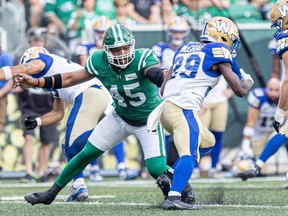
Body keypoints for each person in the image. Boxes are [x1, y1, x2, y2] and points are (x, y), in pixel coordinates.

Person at [13, 24, 195, 206]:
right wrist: (37, 82)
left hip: (148, 120)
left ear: (132, 45)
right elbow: (69, 78)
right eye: (116, 50)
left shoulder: (142, 57)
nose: (122, 53)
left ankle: (184, 189)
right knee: (85, 154)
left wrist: (162, 75)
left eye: (125, 47)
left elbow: (152, 71)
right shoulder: (98, 61)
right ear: (106, 50)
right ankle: (50, 194)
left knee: (156, 168)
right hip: (119, 116)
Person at [147, 16, 254, 210]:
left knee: (207, 142)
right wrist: (248, 81)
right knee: (189, 154)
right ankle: (173, 197)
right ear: (222, 36)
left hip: (166, 109)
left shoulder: (184, 48)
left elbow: (162, 88)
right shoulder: (219, 50)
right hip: (183, 108)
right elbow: (239, 90)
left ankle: (170, 174)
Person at [235, 0, 288, 180]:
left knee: (284, 129)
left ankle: (257, 165)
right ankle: (258, 165)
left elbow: (287, 79)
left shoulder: (284, 39)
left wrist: (280, 112)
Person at [234, 78, 281, 179]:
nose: (273, 93)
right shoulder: (259, 97)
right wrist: (245, 144)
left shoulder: (284, 97)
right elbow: (250, 122)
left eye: (277, 90)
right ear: (266, 88)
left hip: (275, 131)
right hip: (259, 134)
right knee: (260, 171)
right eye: (271, 89)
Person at [197, 76, 234, 178]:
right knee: (199, 135)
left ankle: (214, 167)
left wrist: (232, 90)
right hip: (203, 101)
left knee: (218, 134)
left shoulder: (225, 59)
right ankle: (195, 168)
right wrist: (197, 99)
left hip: (220, 100)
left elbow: (237, 74)